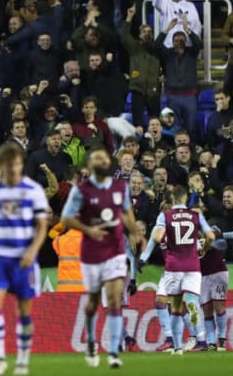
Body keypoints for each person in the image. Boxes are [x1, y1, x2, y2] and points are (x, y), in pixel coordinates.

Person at [61, 146, 138, 368]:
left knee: (114, 299)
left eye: (104, 158)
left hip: (115, 251)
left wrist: (135, 232)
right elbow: (66, 219)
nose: (102, 161)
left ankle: (115, 350)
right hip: (92, 253)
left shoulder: (120, 188)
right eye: (97, 158)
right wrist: (88, 230)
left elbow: (127, 214)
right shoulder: (81, 191)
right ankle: (93, 341)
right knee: (95, 301)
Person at [0, 143, 49, 375]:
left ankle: (22, 359)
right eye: (9, 165)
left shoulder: (33, 190)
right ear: (1, 166)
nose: (13, 169)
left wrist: (33, 251)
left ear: (21, 164)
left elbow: (42, 225)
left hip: (23, 259)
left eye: (17, 164)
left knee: (23, 310)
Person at [143, 185, 216, 354]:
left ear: (172, 199)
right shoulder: (196, 215)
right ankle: (202, 340)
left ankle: (177, 347)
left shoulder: (165, 216)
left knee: (175, 308)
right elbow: (211, 236)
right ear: (185, 199)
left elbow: (156, 237)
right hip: (193, 266)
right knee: (191, 301)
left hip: (174, 266)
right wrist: (203, 250)